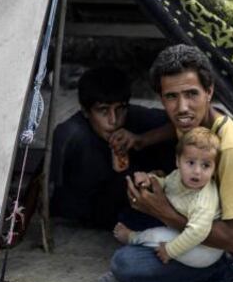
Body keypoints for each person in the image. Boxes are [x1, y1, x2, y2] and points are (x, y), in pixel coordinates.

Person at [108, 45, 233, 282]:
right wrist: (141, 140)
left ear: (209, 92)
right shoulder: (193, 123)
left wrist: (164, 212)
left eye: (191, 94)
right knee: (126, 214)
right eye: (171, 97)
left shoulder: (232, 150)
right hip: (202, 213)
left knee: (125, 264)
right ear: (161, 98)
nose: (182, 108)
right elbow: (174, 127)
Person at [49, 66, 172, 230]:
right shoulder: (72, 134)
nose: (113, 120)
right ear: (86, 112)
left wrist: (141, 140)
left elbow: (184, 124)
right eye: (103, 111)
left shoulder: (132, 116)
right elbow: (48, 188)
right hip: (82, 214)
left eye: (119, 109)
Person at [113, 126, 224, 269]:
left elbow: (196, 233)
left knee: (155, 236)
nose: (197, 171)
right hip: (183, 227)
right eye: (190, 163)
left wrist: (170, 250)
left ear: (214, 169)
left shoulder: (204, 201)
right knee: (127, 216)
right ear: (178, 161)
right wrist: (150, 179)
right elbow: (167, 183)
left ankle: (133, 237)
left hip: (203, 249)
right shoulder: (178, 175)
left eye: (206, 165)